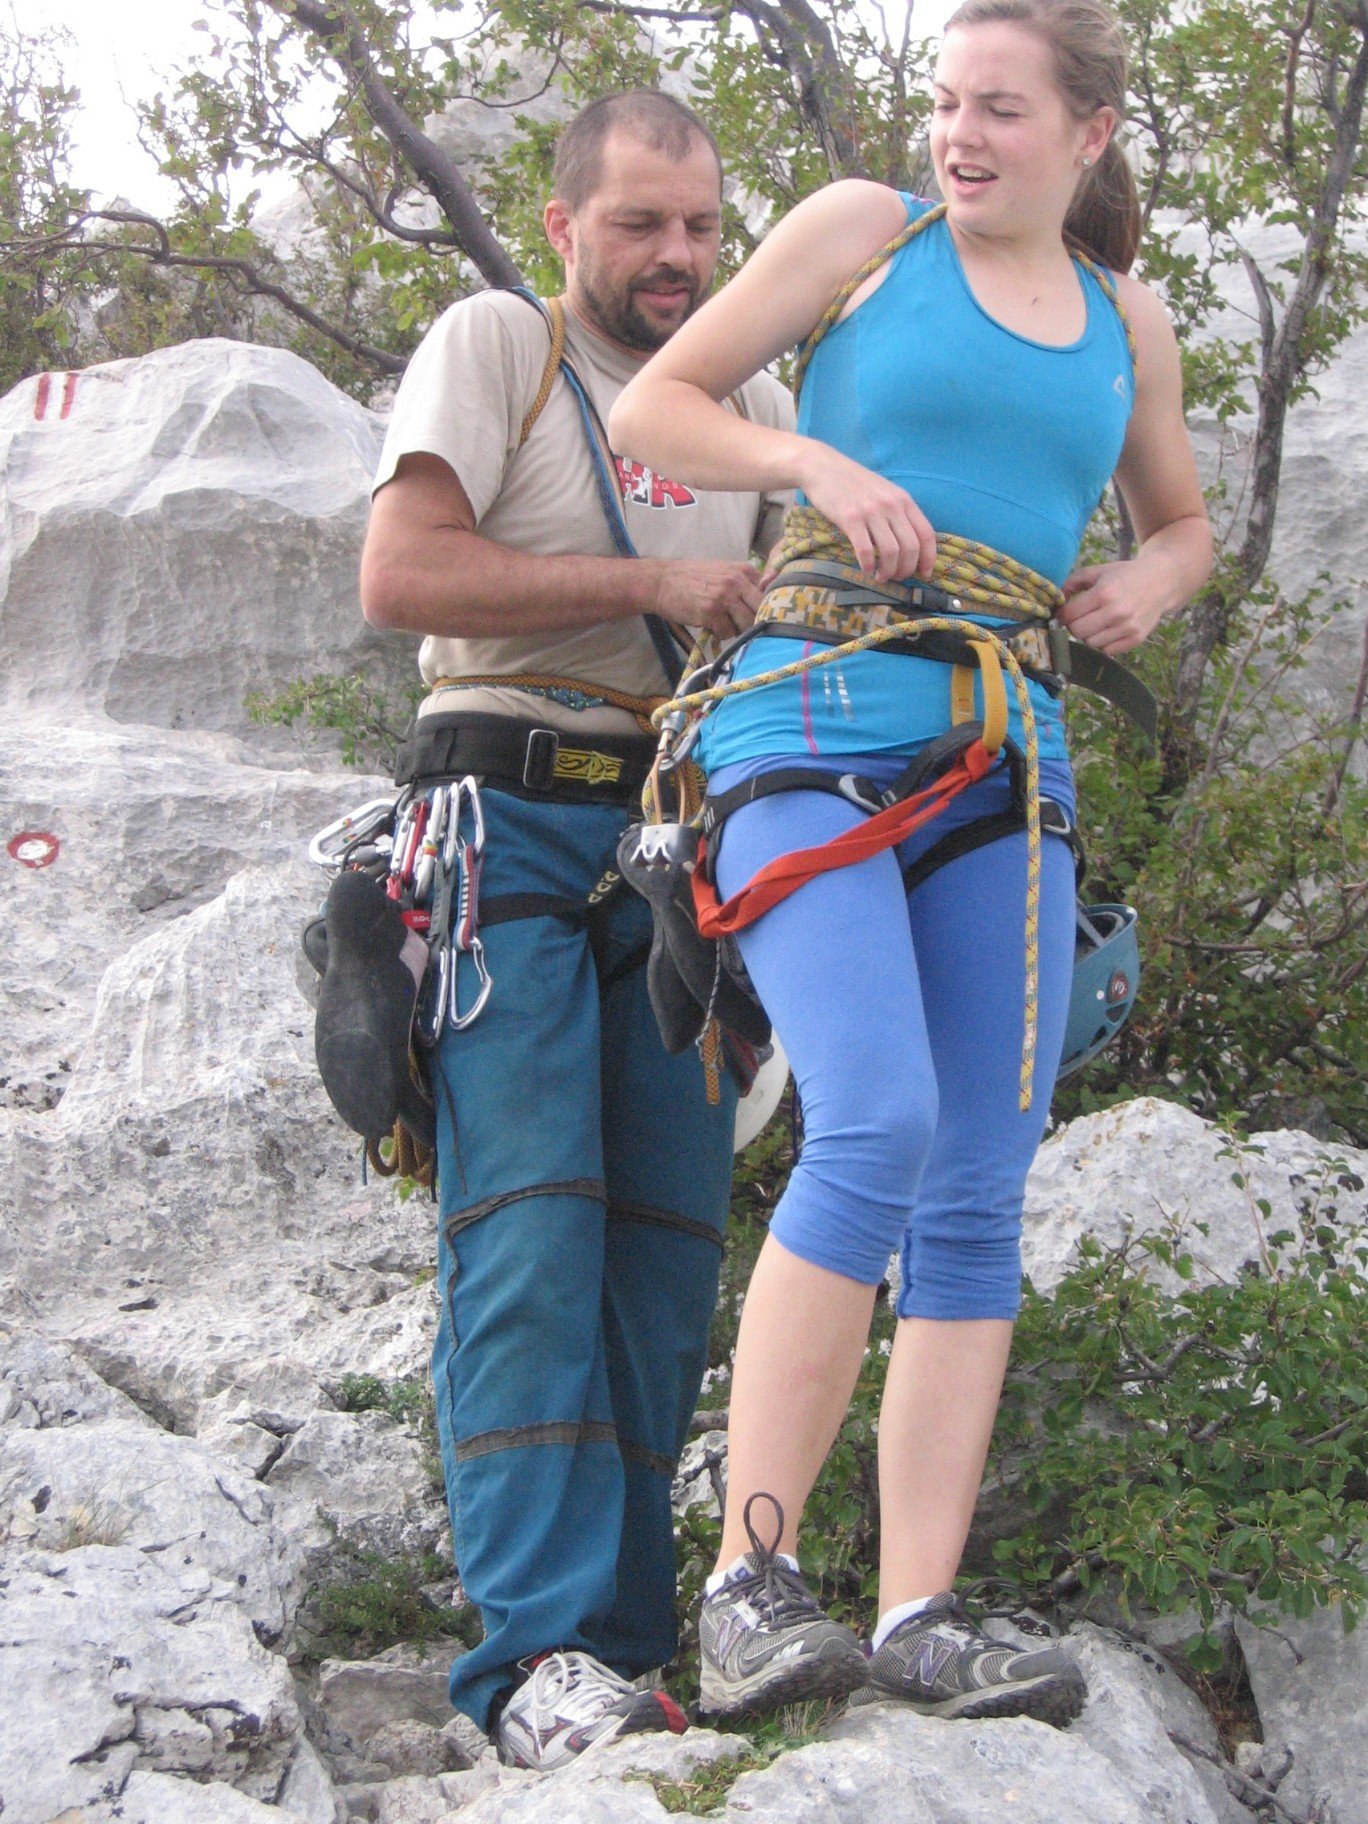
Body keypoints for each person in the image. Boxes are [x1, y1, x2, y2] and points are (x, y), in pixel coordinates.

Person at [610, 0, 1212, 1725]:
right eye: (947, 101)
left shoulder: (1126, 320)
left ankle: (922, 1611)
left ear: (1089, 132)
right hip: (806, 710)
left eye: (1000, 109)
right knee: (874, 1117)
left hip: (1007, 756)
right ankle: (748, 1586)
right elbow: (658, 404)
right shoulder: (862, 236)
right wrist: (810, 453)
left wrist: (1150, 580)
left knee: (981, 1172)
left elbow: (1181, 523)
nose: (959, 135)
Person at [356, 91, 795, 1768]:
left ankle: (625, 1649)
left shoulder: (758, 404)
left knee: (666, 1254)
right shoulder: (502, 346)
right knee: (533, 1230)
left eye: (701, 226)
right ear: (562, 228)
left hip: (680, 851)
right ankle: (529, 1659)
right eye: (639, 224)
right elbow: (402, 574)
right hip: (504, 817)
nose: (678, 255)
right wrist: (655, 588)